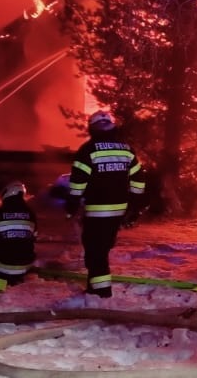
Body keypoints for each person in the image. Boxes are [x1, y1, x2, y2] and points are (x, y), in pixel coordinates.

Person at [66, 110, 145, 298]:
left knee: (95, 252)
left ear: (91, 128)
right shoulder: (126, 149)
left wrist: (72, 204)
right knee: (101, 250)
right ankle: (96, 288)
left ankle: (101, 292)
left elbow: (78, 183)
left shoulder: (88, 150)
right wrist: (135, 206)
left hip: (97, 210)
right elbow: (138, 179)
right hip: (119, 210)